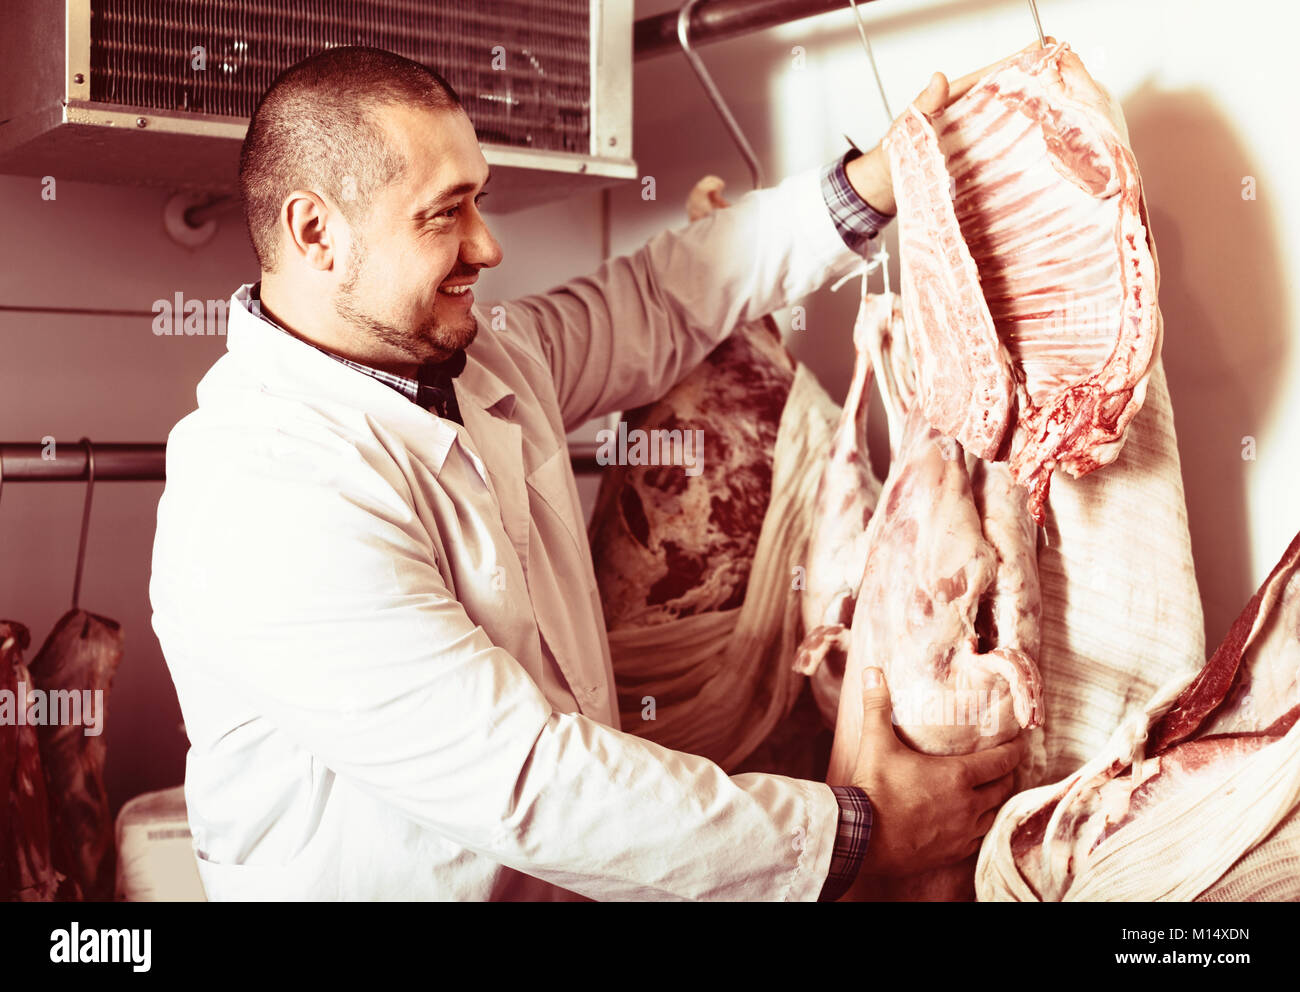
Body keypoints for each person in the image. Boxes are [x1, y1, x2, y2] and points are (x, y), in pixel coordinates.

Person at [151, 44, 1029, 901]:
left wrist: (872, 185)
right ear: (316, 232)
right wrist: (857, 837)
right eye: (444, 212)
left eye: (480, 203)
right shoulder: (262, 490)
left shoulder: (485, 361)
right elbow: (530, 779)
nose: (487, 246)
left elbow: (660, 299)